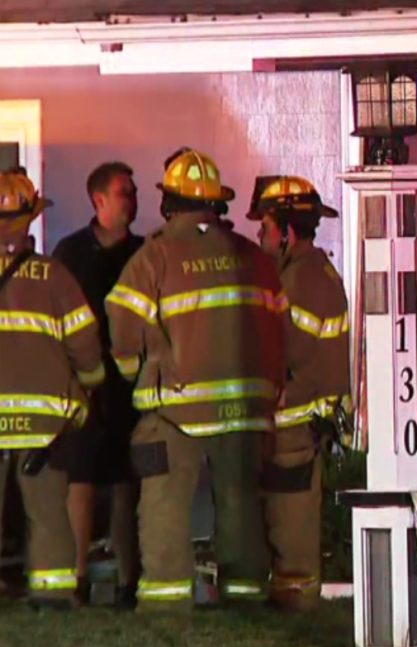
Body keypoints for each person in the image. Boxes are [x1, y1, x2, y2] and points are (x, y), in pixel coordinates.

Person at [105, 149, 286, 610]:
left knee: (164, 504)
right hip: (245, 410)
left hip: (174, 409)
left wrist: (134, 371)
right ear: (216, 205)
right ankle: (245, 596)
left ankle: (166, 600)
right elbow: (280, 326)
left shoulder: (156, 255)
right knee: (241, 502)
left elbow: (122, 320)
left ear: (170, 204)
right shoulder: (253, 258)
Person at [0, 170, 106, 610]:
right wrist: (90, 386)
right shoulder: (54, 276)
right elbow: (86, 347)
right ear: (29, 221)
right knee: (47, 514)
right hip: (44, 425)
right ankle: (53, 594)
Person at [249, 175, 350, 611]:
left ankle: (297, 609)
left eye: (265, 227)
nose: (259, 235)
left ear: (287, 232)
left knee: (292, 531)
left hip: (294, 426)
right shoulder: (304, 271)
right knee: (284, 523)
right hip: (296, 425)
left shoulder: (303, 280)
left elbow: (284, 352)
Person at [52, 161, 143, 606]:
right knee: (80, 480)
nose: (133, 199)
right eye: (124, 191)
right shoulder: (69, 255)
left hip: (132, 388)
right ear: (98, 200)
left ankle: (129, 582)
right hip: (84, 388)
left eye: (133, 191)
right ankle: (78, 579)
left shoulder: (146, 254)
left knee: (129, 481)